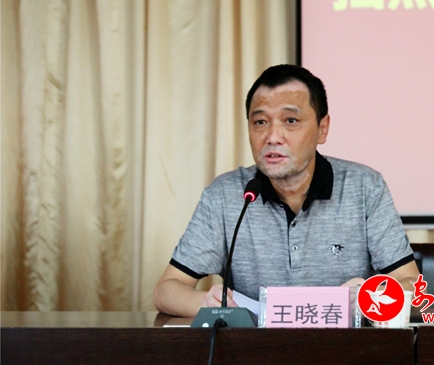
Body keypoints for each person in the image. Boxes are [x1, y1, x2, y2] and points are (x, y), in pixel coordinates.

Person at [153, 64, 419, 318]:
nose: (272, 137)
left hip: (344, 344)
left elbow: (411, 283)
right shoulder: (225, 195)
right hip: (255, 346)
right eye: (260, 122)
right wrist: (206, 303)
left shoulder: (364, 188)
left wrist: (369, 298)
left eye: (290, 120)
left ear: (322, 129)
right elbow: (166, 290)